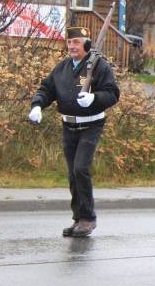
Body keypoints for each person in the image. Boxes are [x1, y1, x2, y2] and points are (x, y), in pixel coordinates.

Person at [29, 26, 120, 237]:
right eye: (69, 43)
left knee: (80, 168)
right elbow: (47, 89)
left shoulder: (99, 67)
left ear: (86, 45)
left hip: (91, 125)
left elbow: (112, 94)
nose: (72, 46)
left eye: (76, 42)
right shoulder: (62, 68)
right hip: (68, 125)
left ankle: (88, 219)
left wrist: (94, 99)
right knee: (72, 174)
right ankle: (78, 218)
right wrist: (37, 105)